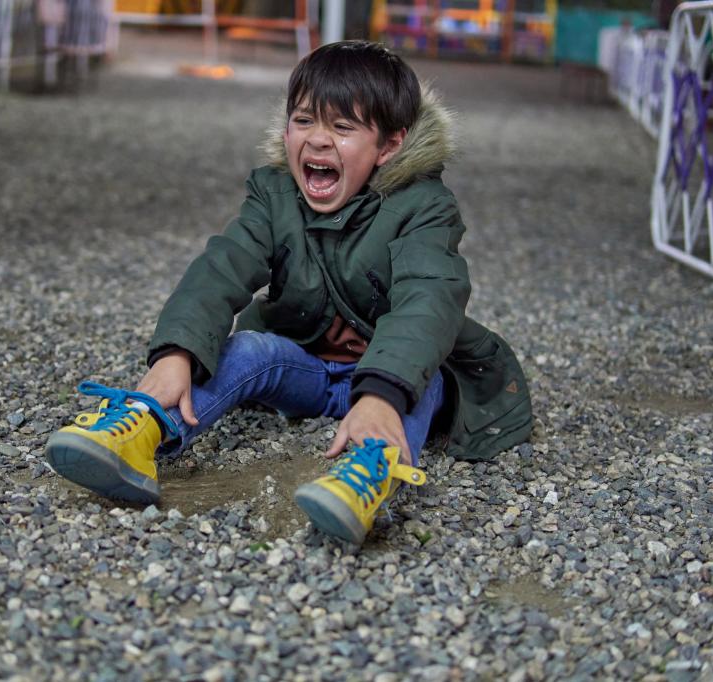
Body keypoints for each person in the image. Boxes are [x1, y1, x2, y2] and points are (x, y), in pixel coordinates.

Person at [45, 40, 532, 545]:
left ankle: (366, 475)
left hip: (392, 379)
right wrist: (176, 351)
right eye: (304, 121)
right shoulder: (275, 194)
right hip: (310, 366)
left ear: (389, 146)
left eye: (343, 128)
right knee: (249, 349)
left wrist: (383, 394)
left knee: (424, 384)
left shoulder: (424, 206)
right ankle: (145, 428)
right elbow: (221, 268)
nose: (318, 141)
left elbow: (427, 300)